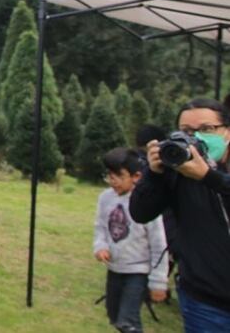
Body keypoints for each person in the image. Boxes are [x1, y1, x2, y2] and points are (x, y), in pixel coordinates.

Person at [130, 98, 230, 331]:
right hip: (205, 302)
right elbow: (139, 212)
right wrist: (154, 174)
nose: (197, 136)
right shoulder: (177, 171)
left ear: (226, 131)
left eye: (207, 129)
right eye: (186, 131)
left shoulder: (208, 174)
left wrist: (208, 176)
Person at [94, 147, 168, 333]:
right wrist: (100, 246)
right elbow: (101, 228)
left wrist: (158, 282)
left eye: (119, 175)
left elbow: (159, 245)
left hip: (138, 271)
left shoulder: (146, 203)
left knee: (128, 321)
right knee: (114, 316)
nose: (113, 181)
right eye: (109, 175)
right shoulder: (105, 198)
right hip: (114, 269)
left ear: (136, 176)